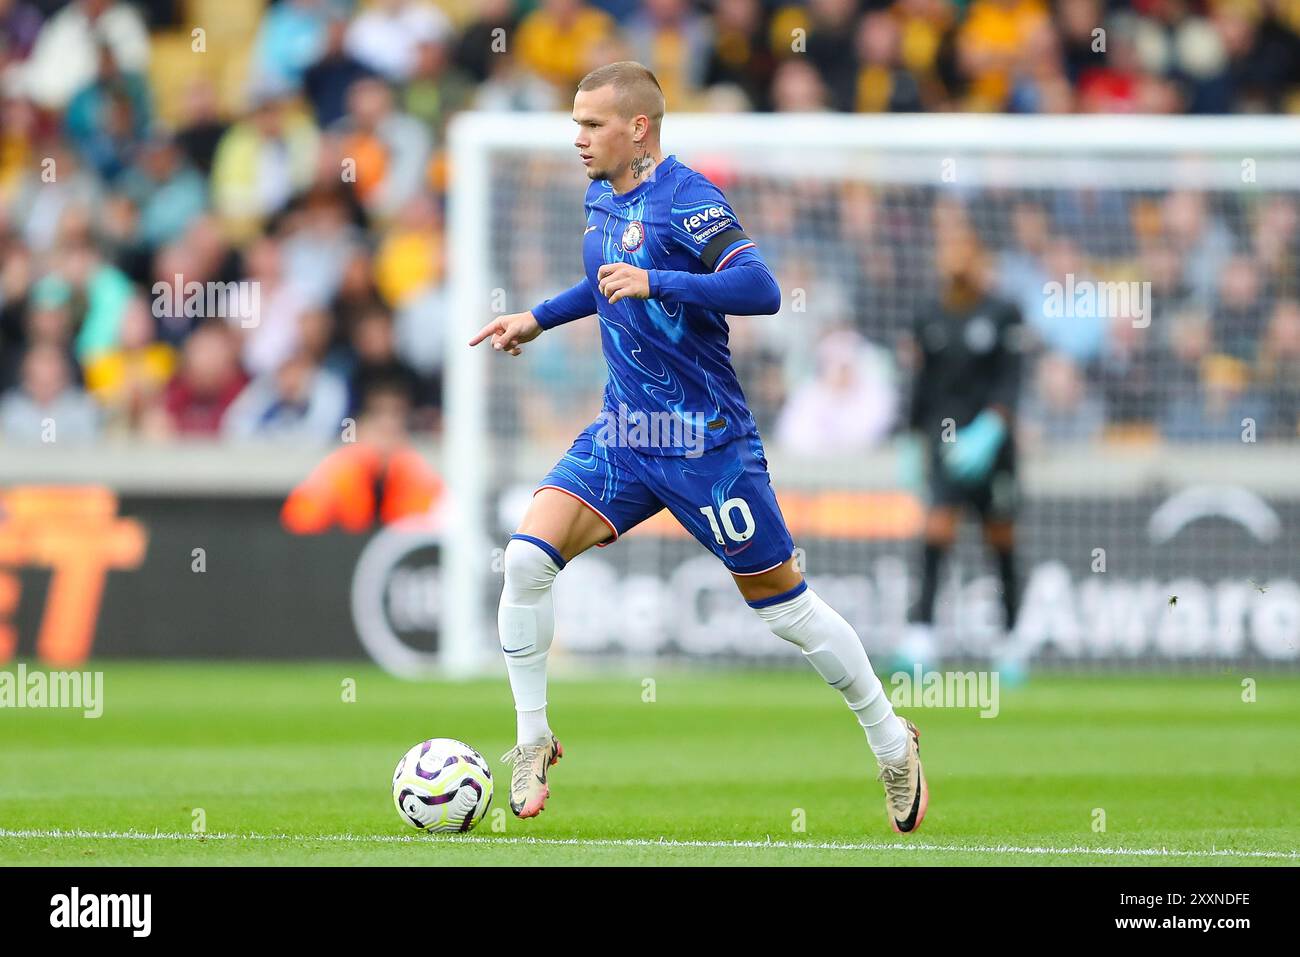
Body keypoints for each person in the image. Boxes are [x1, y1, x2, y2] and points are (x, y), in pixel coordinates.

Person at [469, 61, 927, 834]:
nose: (576, 138)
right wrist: (539, 318)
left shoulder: (690, 197)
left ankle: (891, 741)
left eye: (592, 125)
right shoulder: (600, 193)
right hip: (625, 432)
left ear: (638, 128)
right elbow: (605, 281)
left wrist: (661, 283)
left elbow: (760, 289)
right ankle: (532, 738)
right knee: (524, 558)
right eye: (575, 123)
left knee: (785, 608)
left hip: (706, 445)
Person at [901, 227, 1025, 670]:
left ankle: (1010, 640)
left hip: (994, 445)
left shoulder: (1005, 313)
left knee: (1001, 539)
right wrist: (912, 439)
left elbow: (1012, 381)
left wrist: (992, 427)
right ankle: (920, 637)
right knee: (936, 532)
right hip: (946, 443)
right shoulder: (928, 316)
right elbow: (922, 385)